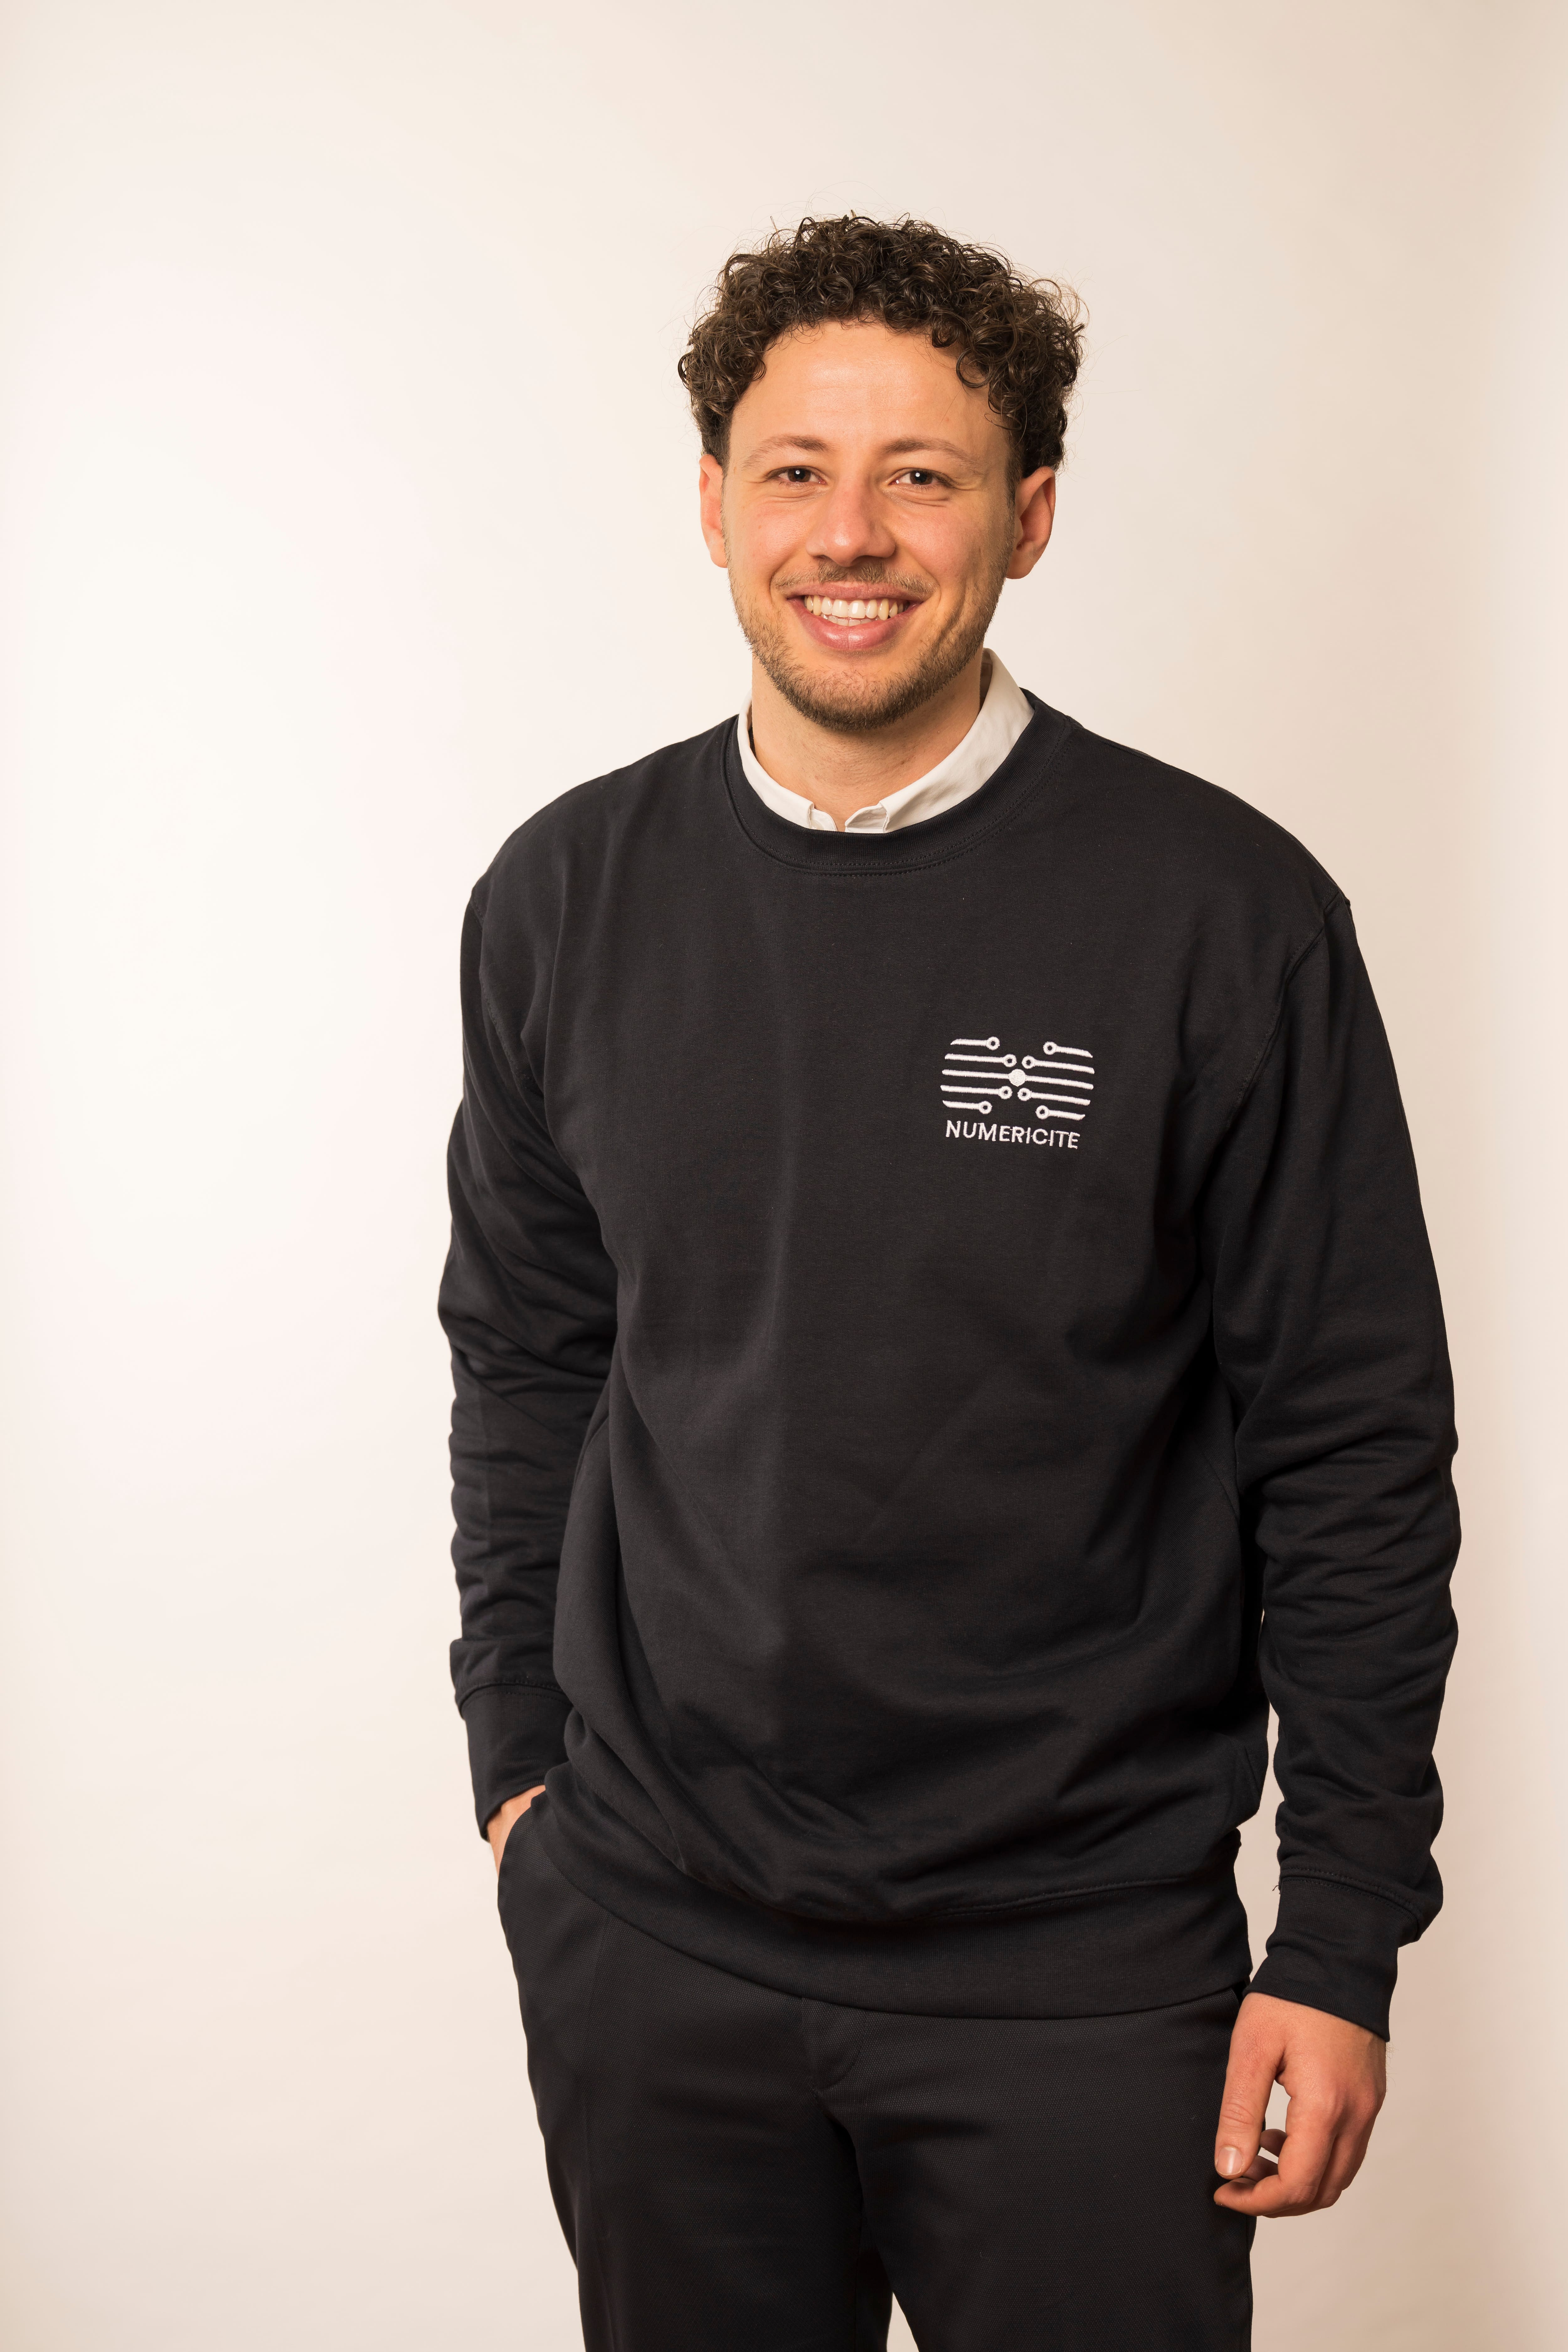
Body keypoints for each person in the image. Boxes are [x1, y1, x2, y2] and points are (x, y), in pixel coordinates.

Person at [440, 215, 1458, 2352]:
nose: (853, 533)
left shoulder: (1222, 917)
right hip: (652, 1949)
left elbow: (1350, 1446)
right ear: (712, 503)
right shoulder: (562, 897)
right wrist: (520, 1773)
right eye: (796, 471)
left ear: (1030, 516)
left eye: (922, 474)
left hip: (1080, 1976)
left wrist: (1337, 1940)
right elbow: (529, 1361)